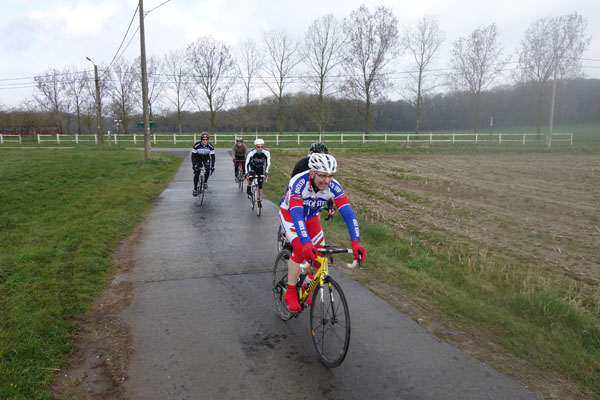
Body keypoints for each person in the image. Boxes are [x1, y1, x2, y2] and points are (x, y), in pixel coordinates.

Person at [279, 153, 366, 312]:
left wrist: (356, 242)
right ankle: (290, 291)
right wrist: (306, 243)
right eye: (323, 176)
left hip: (311, 218)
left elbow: (348, 214)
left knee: (319, 255)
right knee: (300, 248)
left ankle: (306, 285)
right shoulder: (299, 183)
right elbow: (297, 215)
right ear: (312, 173)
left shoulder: (334, 186)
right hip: (290, 215)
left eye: (330, 176)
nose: (327, 180)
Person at [290, 142, 335, 219]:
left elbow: (327, 187)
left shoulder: (325, 167)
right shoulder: (302, 164)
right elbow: (292, 183)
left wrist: (330, 205)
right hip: (301, 194)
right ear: (311, 154)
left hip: (315, 197)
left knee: (316, 215)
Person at [245, 138, 271, 208]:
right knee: (252, 175)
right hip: (252, 167)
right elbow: (247, 163)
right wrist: (247, 173)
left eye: (262, 147)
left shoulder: (266, 153)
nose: (260, 148)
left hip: (260, 168)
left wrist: (266, 172)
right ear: (255, 147)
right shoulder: (251, 153)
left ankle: (259, 199)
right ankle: (249, 187)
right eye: (258, 147)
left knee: (260, 184)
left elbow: (268, 163)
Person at [191, 132, 215, 196]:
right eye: (203, 139)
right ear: (201, 139)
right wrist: (194, 165)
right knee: (197, 172)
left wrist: (212, 166)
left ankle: (205, 182)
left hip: (206, 157)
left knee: (207, 169)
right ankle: (195, 189)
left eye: (206, 139)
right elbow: (193, 156)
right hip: (197, 157)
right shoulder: (196, 145)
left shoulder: (210, 146)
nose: (205, 141)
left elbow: (213, 157)